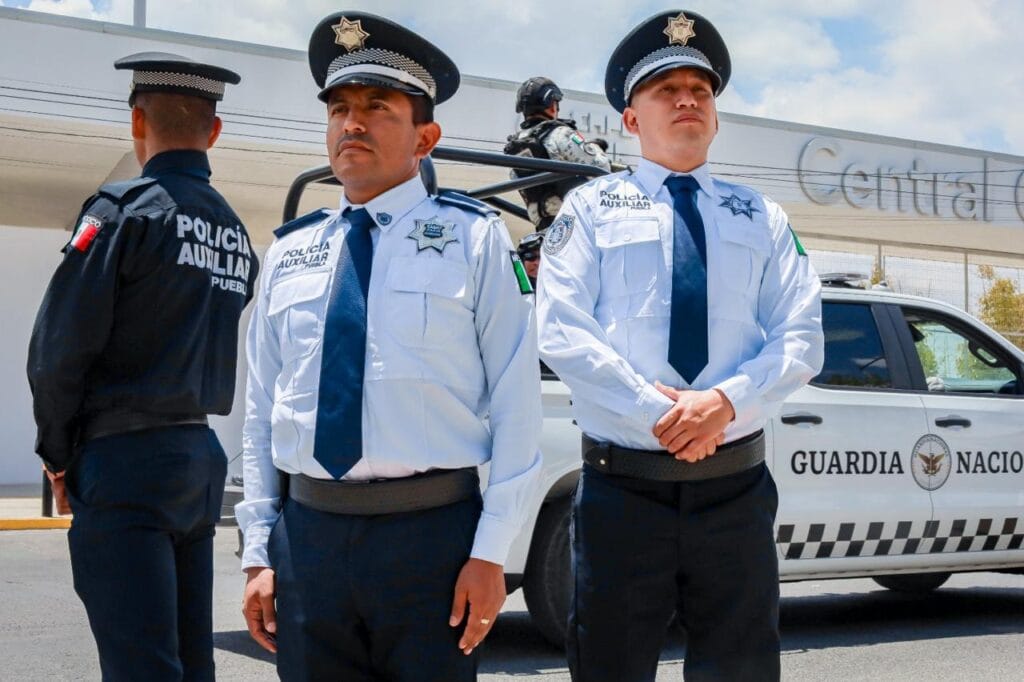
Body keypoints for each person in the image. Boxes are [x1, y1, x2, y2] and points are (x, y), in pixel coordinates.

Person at [236, 11, 542, 681]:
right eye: (340, 108)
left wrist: (492, 554)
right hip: (309, 538)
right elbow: (260, 412)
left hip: (432, 540)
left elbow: (519, 406)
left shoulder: (474, 238)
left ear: (425, 136)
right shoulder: (290, 251)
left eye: (377, 108)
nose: (353, 123)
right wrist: (258, 553)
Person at [536, 10, 824, 682]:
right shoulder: (590, 209)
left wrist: (723, 403)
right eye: (667, 89)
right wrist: (660, 414)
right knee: (610, 667)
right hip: (623, 491)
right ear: (631, 120)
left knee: (741, 669)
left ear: (716, 116)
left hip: (735, 492)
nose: (687, 98)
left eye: (701, 88)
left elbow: (802, 336)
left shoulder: (763, 216)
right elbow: (559, 328)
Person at [26, 53, 254, 681]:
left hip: (124, 461)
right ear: (214, 132)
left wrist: (57, 452)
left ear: (136, 121)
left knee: (139, 665)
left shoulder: (121, 211)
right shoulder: (234, 232)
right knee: (188, 659)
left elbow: (58, 349)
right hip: (195, 457)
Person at [504, 76, 611, 230]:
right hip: (577, 225)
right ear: (552, 105)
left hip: (545, 229)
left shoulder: (514, 148)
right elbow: (602, 167)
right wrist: (596, 147)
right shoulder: (561, 133)